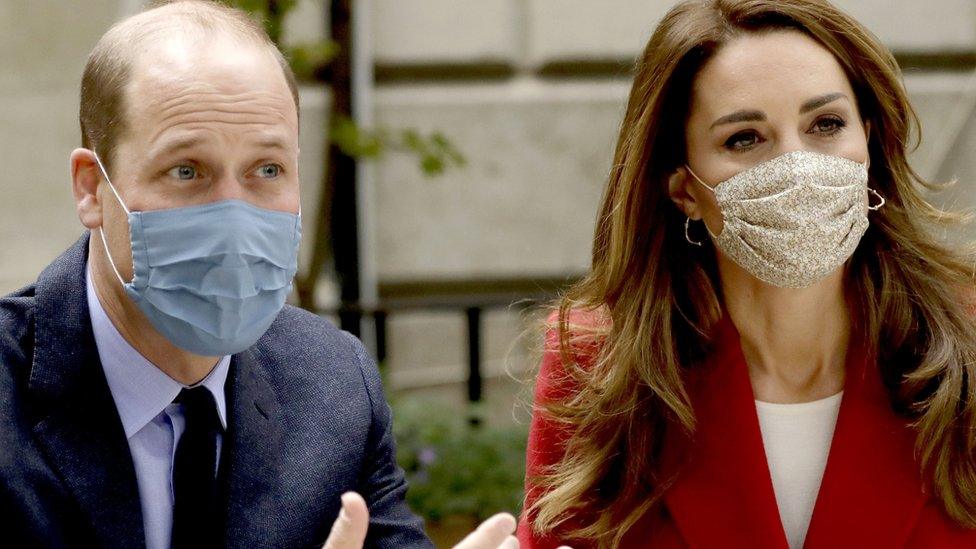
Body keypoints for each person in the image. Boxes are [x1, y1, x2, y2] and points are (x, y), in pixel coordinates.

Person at [0, 1, 518, 548]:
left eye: (267, 170)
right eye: (186, 170)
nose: (234, 216)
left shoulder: (331, 386)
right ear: (90, 188)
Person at [516, 0, 976, 548]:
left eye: (826, 124)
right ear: (685, 189)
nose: (797, 164)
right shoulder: (599, 369)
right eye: (744, 139)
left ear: (871, 143)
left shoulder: (965, 348)